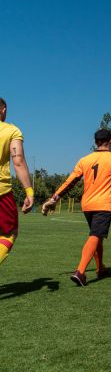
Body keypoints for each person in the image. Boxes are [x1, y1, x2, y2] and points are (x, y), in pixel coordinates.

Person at [42, 129, 111, 286]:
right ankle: (80, 272)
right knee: (95, 235)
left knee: (97, 236)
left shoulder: (84, 160)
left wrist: (54, 198)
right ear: (110, 141)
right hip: (104, 205)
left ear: (95, 142)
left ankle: (100, 268)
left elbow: (70, 181)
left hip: (87, 205)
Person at [0, 98, 34, 266]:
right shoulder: (11, 131)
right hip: (1, 192)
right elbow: (18, 161)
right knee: (9, 233)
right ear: (3, 110)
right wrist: (29, 192)